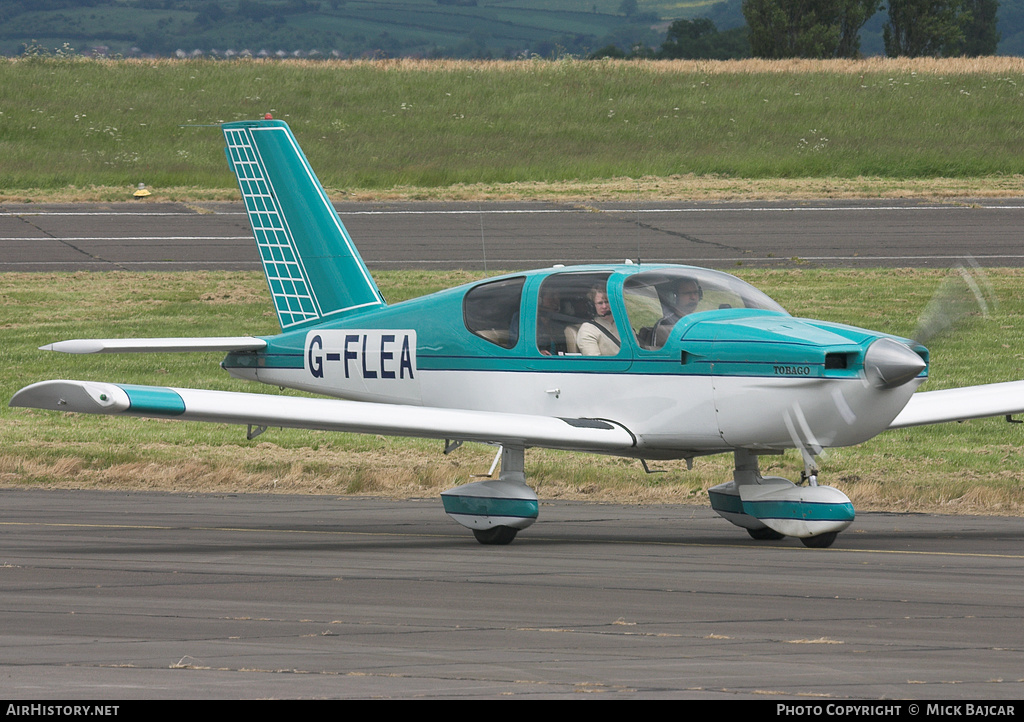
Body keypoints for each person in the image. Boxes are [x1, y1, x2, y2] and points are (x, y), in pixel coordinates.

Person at [652, 277, 702, 348]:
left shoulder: (700, 320)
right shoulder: (665, 324)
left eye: (695, 292)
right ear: (674, 297)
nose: (693, 297)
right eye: (687, 293)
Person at [577, 286, 620, 356]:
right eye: (600, 303)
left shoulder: (622, 325)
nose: (604, 306)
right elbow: (596, 363)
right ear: (593, 306)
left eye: (607, 302)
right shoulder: (588, 329)